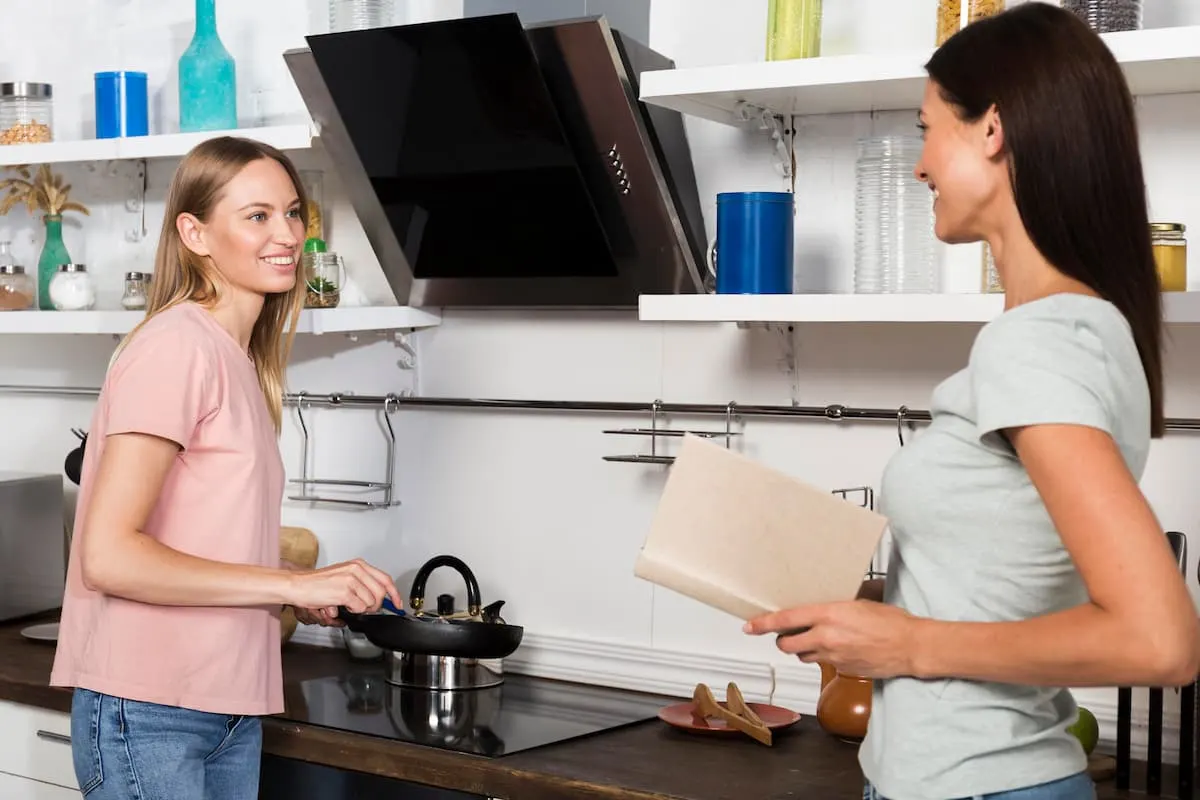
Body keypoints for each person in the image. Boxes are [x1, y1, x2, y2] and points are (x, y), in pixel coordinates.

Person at [744, 5, 1200, 800]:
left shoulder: (1037, 341)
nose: (919, 165)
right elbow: (1009, 574)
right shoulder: (1087, 327)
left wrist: (911, 644)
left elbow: (1159, 641)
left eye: (927, 128)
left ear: (992, 129)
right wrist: (869, 618)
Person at [49, 136, 403, 800]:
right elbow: (110, 557)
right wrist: (291, 587)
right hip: (148, 710)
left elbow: (198, 544)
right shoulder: (177, 348)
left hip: (223, 707)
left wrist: (295, 584)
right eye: (257, 215)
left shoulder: (238, 360)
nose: (288, 235)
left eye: (293, 213)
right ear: (196, 233)